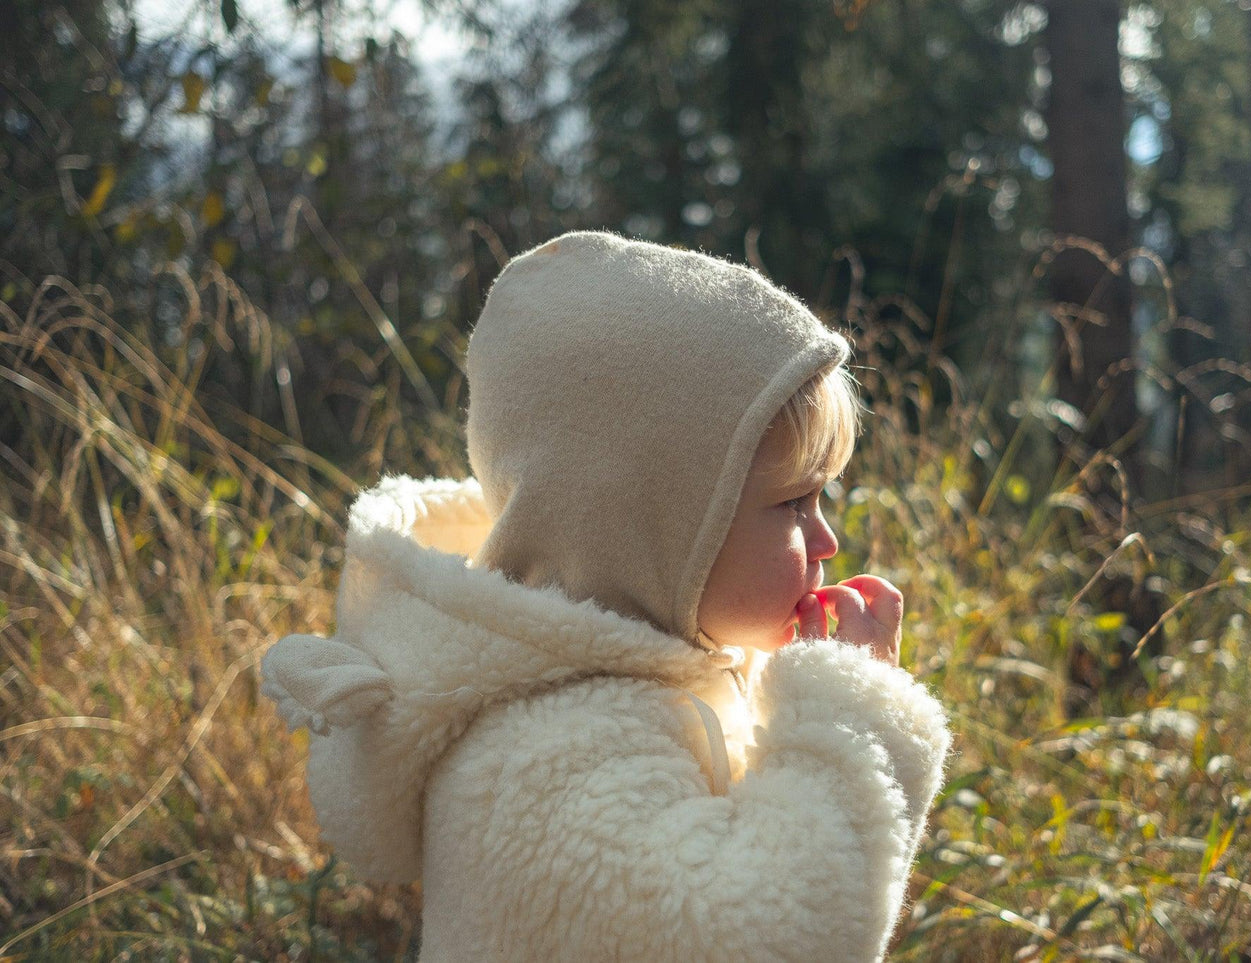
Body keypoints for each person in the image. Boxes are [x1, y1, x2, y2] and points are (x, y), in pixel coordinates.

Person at [261, 230, 953, 961]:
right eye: (793, 503)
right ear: (654, 522)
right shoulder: (541, 764)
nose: (826, 542)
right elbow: (774, 934)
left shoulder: (649, 683)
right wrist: (852, 715)